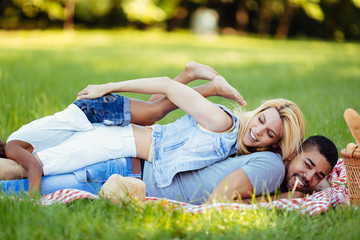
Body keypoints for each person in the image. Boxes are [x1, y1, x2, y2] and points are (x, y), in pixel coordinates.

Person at [1, 62, 304, 195]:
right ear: (258, 111)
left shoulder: (232, 138)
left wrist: (312, 180)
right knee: (37, 165)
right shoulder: (225, 124)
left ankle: (194, 74)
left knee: (156, 110)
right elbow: (164, 86)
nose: (259, 131)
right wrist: (107, 86)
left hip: (125, 142)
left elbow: (172, 100)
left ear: (273, 144)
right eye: (262, 120)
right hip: (115, 143)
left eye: (269, 134)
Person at [0, 135, 338, 205]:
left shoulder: (278, 176)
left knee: (28, 175)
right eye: (308, 165)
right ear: (293, 153)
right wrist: (276, 199)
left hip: (129, 174)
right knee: (18, 192)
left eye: (318, 175)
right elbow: (219, 203)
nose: (308, 178)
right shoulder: (273, 170)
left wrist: (316, 186)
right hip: (127, 177)